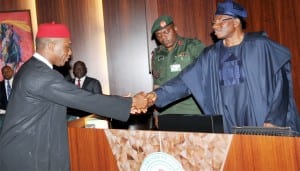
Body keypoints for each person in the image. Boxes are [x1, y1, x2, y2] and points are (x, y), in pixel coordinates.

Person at [0, 22, 148, 170]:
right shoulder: (40, 75)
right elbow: (81, 99)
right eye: (67, 46)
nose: (70, 52)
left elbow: (74, 97)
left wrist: (123, 102)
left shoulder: (33, 68)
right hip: (23, 156)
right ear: (51, 45)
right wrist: (131, 102)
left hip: (30, 150)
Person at [144, 0, 300, 133]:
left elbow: (282, 86)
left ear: (236, 22)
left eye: (221, 21)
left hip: (261, 123)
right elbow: (184, 81)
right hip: (227, 125)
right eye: (214, 22)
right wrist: (153, 97)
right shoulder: (210, 55)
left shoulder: (261, 46)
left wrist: (274, 120)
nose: (215, 26)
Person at [150, 15, 205, 128]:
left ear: (175, 29)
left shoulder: (192, 46)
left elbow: (208, 74)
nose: (163, 37)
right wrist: (156, 113)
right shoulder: (157, 55)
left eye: (166, 32)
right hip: (166, 113)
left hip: (193, 111)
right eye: (159, 35)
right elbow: (157, 85)